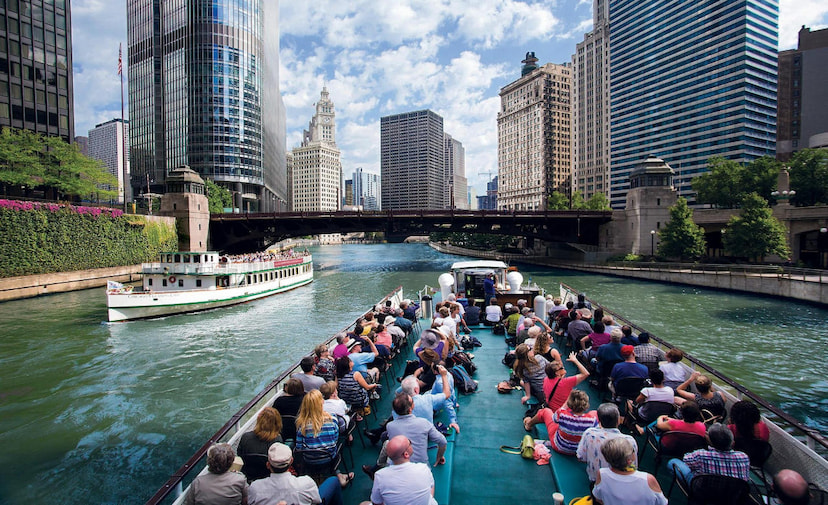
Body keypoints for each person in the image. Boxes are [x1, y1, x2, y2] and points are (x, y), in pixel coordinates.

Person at [248, 442, 343, 505]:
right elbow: (317, 500)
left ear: (268, 465)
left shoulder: (255, 488)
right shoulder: (306, 483)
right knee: (333, 481)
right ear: (291, 462)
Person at [294, 390, 354, 487]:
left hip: (309, 461)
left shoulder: (301, 424)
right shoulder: (332, 418)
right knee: (335, 447)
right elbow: (335, 439)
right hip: (329, 459)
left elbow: (299, 447)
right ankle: (338, 475)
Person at [667, 423, 750, 486]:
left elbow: (686, 459)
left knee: (673, 462)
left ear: (710, 441)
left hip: (704, 491)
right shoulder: (744, 457)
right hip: (731, 495)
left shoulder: (701, 455)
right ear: (732, 443)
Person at [592, 437, 668, 505]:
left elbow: (598, 499)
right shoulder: (647, 479)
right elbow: (662, 503)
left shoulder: (602, 474)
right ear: (629, 460)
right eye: (633, 451)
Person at [577, 403, 638, 484]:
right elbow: (633, 467)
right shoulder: (630, 441)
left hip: (594, 479)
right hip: (621, 482)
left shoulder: (589, 433)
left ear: (599, 420)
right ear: (618, 420)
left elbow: (581, 457)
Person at [524, 389, 598, 456]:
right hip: (577, 450)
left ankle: (529, 424)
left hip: (559, 447)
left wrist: (566, 403)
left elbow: (554, 419)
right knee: (594, 413)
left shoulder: (562, 414)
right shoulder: (591, 420)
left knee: (545, 411)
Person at [369, 435, 438, 505]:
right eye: (410, 443)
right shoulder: (423, 468)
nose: (411, 444)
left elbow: (376, 502)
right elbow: (431, 488)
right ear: (406, 454)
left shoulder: (380, 476)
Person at [385, 393, 447, 466]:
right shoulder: (424, 423)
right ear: (411, 407)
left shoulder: (390, 426)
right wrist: (439, 457)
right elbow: (443, 441)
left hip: (398, 467)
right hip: (421, 467)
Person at [183, 443, 248, 505]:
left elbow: (189, 503)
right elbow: (246, 501)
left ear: (209, 462)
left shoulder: (197, 483)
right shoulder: (240, 480)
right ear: (231, 462)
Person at [237, 407, 283, 483]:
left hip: (249, 475)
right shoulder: (277, 440)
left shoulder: (246, 437)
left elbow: (240, 454)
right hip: (268, 476)